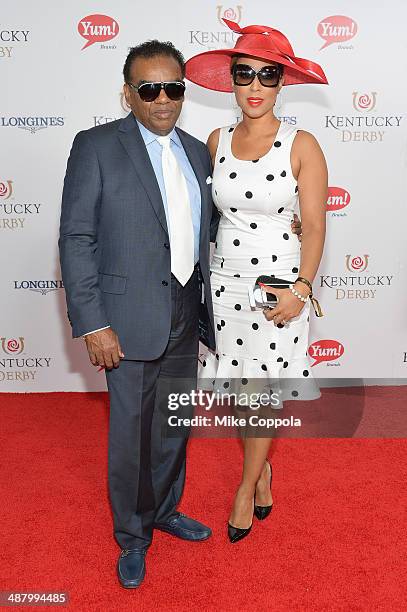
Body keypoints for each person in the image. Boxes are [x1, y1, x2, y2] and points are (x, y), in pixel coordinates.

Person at [185, 19, 328, 543]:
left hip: (279, 288)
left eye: (268, 75)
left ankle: (245, 487)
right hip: (225, 283)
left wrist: (302, 290)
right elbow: (208, 215)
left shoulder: (302, 144)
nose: (255, 86)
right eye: (245, 74)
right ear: (232, 79)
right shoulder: (216, 140)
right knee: (243, 393)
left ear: (282, 82)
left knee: (263, 393)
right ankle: (263, 471)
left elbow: (313, 225)